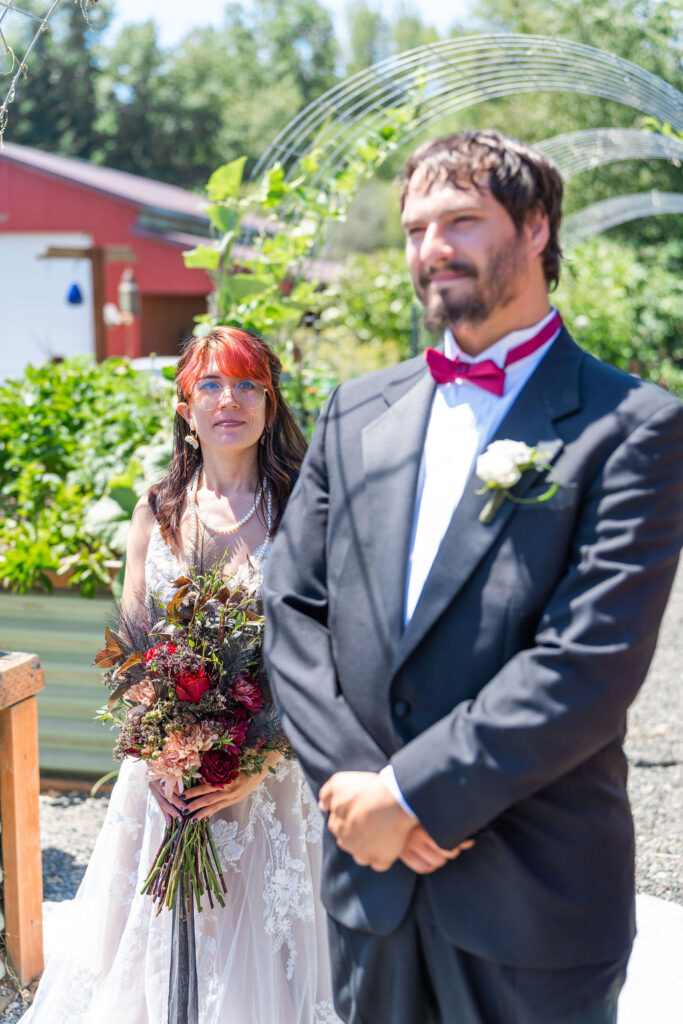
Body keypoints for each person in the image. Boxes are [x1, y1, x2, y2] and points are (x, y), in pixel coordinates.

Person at [262, 130, 683, 1024]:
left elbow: (589, 663)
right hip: (369, 889)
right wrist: (360, 793)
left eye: (461, 220)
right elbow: (291, 607)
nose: (431, 248)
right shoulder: (354, 412)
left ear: (534, 228)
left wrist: (414, 795)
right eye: (416, 227)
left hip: (531, 902)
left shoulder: (633, 428)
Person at [23, 327, 341, 1024]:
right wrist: (160, 753)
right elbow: (135, 649)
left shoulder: (304, 509)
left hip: (273, 782)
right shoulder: (156, 510)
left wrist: (260, 760)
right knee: (156, 957)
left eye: (248, 384)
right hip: (166, 788)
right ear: (183, 406)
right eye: (211, 385)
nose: (231, 400)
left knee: (268, 962)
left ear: (270, 399)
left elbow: (330, 651)